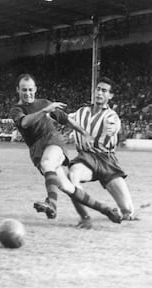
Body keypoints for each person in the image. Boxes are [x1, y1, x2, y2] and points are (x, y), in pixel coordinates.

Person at [10, 73, 122, 224]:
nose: (28, 93)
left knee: (47, 163)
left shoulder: (44, 103)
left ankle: (52, 204)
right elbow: (24, 123)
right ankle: (107, 210)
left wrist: (84, 133)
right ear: (18, 90)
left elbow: (67, 120)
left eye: (30, 89)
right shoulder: (16, 110)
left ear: (35, 89)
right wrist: (44, 111)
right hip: (37, 150)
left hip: (52, 140)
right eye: (24, 90)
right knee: (66, 186)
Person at [68, 77, 136, 229]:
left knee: (127, 211)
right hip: (86, 158)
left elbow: (114, 125)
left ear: (110, 96)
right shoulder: (80, 112)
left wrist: (112, 130)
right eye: (98, 89)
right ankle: (85, 216)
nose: (99, 93)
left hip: (107, 161)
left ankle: (122, 210)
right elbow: (64, 119)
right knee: (72, 175)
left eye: (104, 91)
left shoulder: (112, 116)